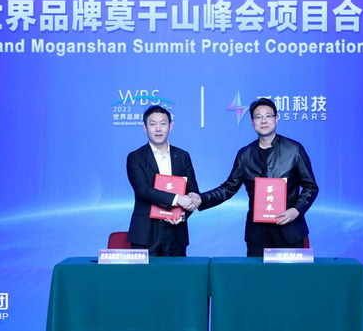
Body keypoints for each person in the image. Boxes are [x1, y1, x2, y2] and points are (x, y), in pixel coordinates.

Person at [189, 98, 319, 257]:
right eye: (258, 117)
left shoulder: (294, 149)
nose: (263, 120)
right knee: (257, 273)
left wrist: (296, 210)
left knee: (291, 274)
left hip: (290, 231)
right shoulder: (245, 154)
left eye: (268, 116)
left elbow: (311, 187)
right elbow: (228, 188)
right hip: (258, 235)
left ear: (276, 119)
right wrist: (201, 199)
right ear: (252, 122)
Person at [126, 105, 200, 256]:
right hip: (145, 234)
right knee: (145, 273)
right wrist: (177, 199)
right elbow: (143, 191)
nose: (158, 129)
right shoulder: (135, 157)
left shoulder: (183, 156)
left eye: (163, 123)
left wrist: (183, 214)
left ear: (170, 126)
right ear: (145, 128)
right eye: (153, 124)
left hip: (175, 233)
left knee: (176, 272)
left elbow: (192, 191)